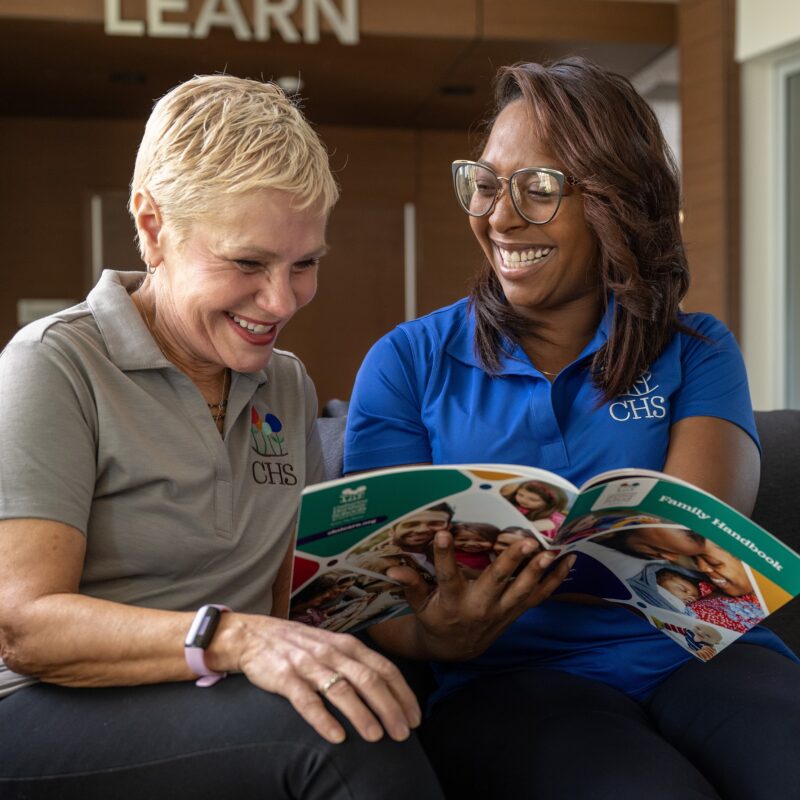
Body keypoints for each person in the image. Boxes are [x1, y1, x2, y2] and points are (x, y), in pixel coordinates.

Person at [343, 56, 800, 799]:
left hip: (700, 654)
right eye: (487, 183)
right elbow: (386, 604)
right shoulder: (406, 364)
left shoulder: (697, 350)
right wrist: (439, 634)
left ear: (615, 201)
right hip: (511, 678)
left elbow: (694, 556)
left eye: (539, 188)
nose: (498, 216)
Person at [0, 76, 442, 800]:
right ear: (152, 227)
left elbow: (296, 603)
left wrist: (438, 625)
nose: (281, 301)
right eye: (247, 263)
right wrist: (234, 637)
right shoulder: (53, 364)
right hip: (45, 706)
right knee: (339, 743)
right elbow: (26, 627)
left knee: (396, 703)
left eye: (305, 265)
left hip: (221, 693)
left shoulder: (285, 383)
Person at [500, 479, 567, 537]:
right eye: (520, 494)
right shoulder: (516, 505)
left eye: (533, 499)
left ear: (549, 503)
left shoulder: (553, 519)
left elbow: (526, 528)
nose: (523, 500)